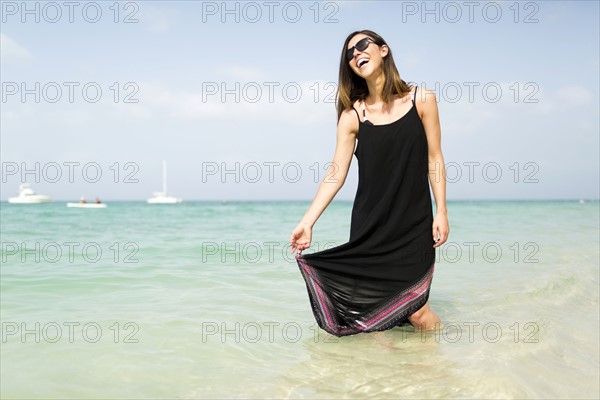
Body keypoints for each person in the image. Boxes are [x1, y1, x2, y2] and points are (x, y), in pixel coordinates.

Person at [289, 30, 449, 337]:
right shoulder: (352, 115)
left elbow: (435, 158)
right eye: (349, 53)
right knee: (375, 317)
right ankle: (384, 383)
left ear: (384, 50)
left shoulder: (422, 99)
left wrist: (441, 210)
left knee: (417, 312)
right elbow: (336, 171)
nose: (355, 54)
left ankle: (437, 366)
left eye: (362, 45)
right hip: (370, 226)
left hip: (412, 224)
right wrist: (307, 222)